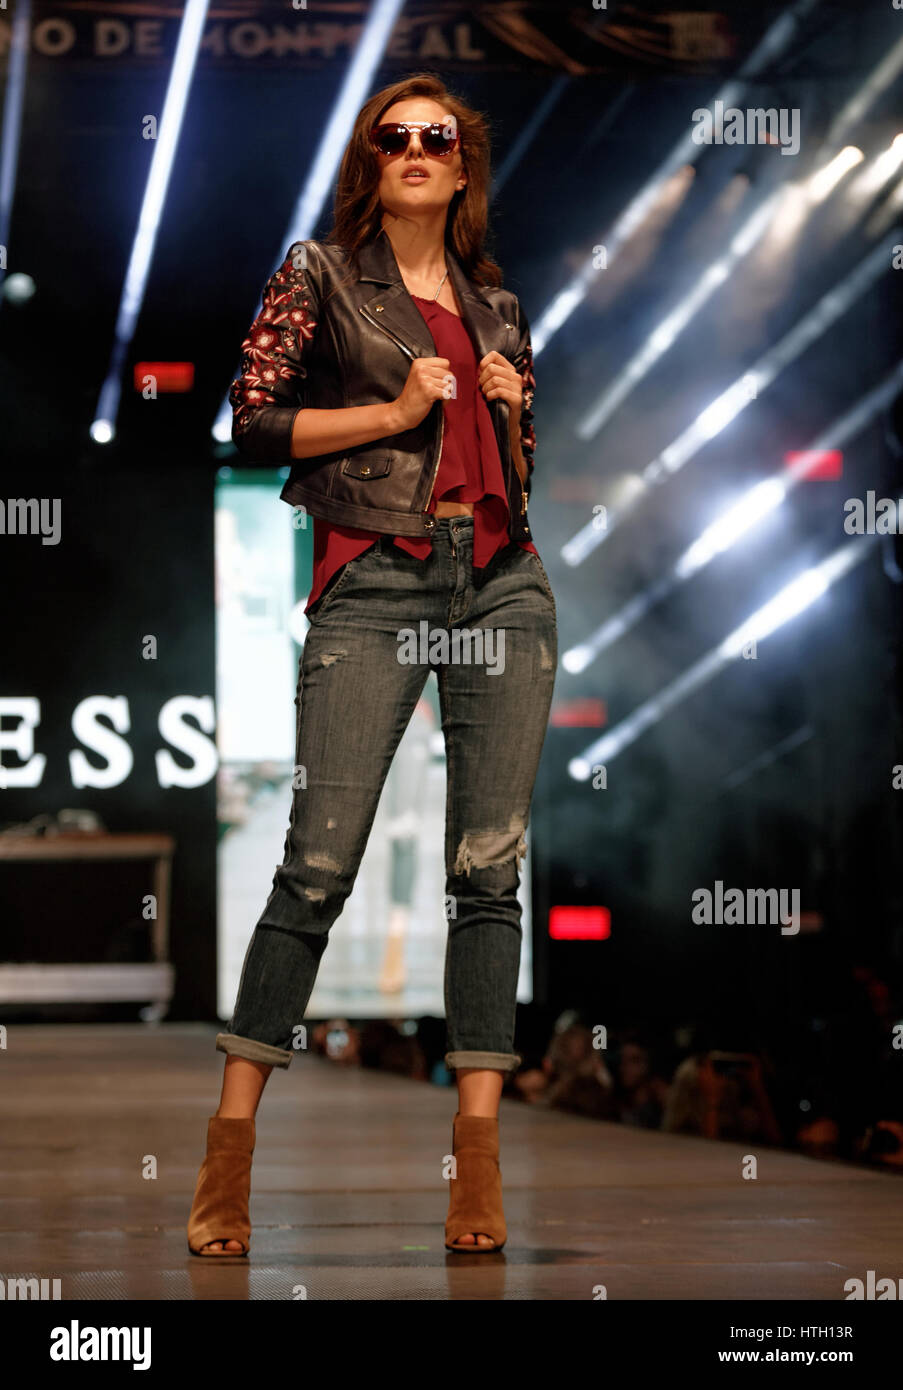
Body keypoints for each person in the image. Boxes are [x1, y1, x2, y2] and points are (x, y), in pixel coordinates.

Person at [187, 72, 557, 1257]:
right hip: (378, 577)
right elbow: (249, 418)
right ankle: (228, 1155)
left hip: (501, 580)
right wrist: (395, 410)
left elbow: (517, 471)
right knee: (316, 863)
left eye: (434, 137)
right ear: (373, 163)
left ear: (463, 167)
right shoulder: (320, 275)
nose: (413, 148)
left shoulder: (498, 304)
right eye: (391, 136)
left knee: (489, 868)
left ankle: (477, 1166)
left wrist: (512, 409)